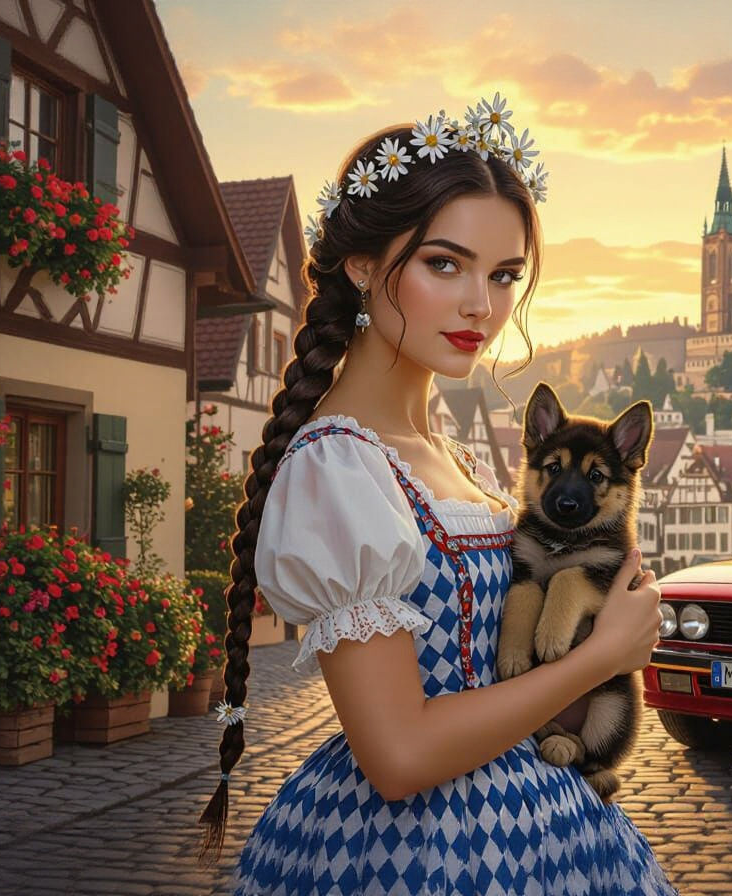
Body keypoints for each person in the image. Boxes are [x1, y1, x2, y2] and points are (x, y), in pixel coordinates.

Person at [196, 97, 678, 895]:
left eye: (503, 275)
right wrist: (602, 657)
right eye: (445, 264)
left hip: (547, 831)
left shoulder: (450, 456)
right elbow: (400, 756)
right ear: (361, 266)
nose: (481, 305)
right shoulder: (339, 468)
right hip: (424, 854)